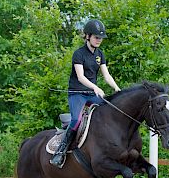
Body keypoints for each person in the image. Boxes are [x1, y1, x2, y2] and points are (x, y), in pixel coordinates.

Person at [49, 19, 121, 168]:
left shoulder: (100, 54)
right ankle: (60, 152)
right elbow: (81, 77)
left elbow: (106, 75)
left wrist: (116, 88)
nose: (99, 40)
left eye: (100, 38)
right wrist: (95, 87)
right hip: (77, 94)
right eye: (96, 37)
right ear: (88, 36)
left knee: (110, 110)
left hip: (92, 94)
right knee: (76, 120)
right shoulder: (79, 54)